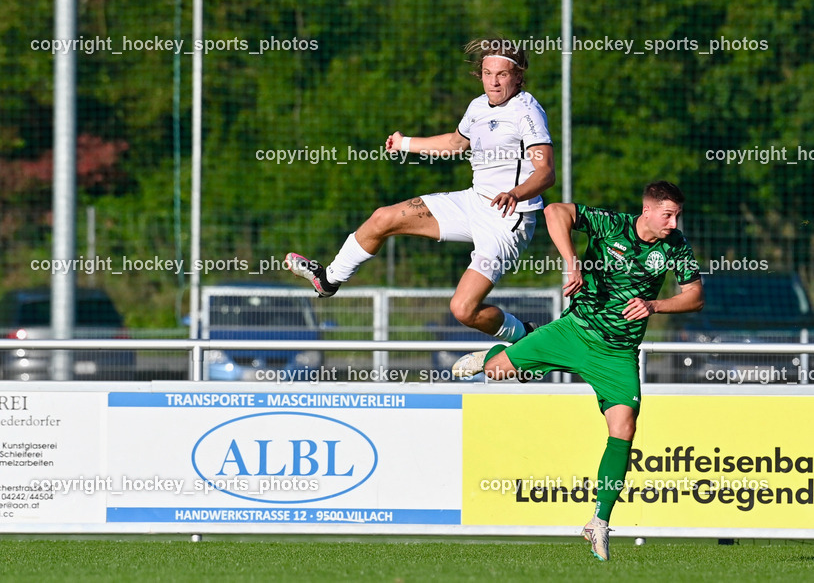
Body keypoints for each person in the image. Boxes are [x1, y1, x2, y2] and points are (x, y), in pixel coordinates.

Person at [452, 181, 704, 561]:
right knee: (499, 371)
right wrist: (573, 261)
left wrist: (655, 306)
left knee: (624, 427)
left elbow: (695, 296)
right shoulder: (611, 225)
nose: (673, 222)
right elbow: (556, 211)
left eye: (677, 215)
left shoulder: (676, 245)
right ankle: (496, 356)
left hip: (617, 353)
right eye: (667, 214)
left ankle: (598, 522)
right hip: (574, 331)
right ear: (647, 210)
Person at [287, 38, 554, 343]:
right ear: (479, 73)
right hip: (472, 202)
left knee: (464, 309)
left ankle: (526, 337)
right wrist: (405, 143)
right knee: (383, 219)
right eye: (487, 73)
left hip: (509, 219)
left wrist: (516, 193)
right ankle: (328, 280)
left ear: (518, 76)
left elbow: (546, 172)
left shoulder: (527, 111)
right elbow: (456, 143)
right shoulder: (478, 106)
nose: (493, 81)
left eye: (502, 75)